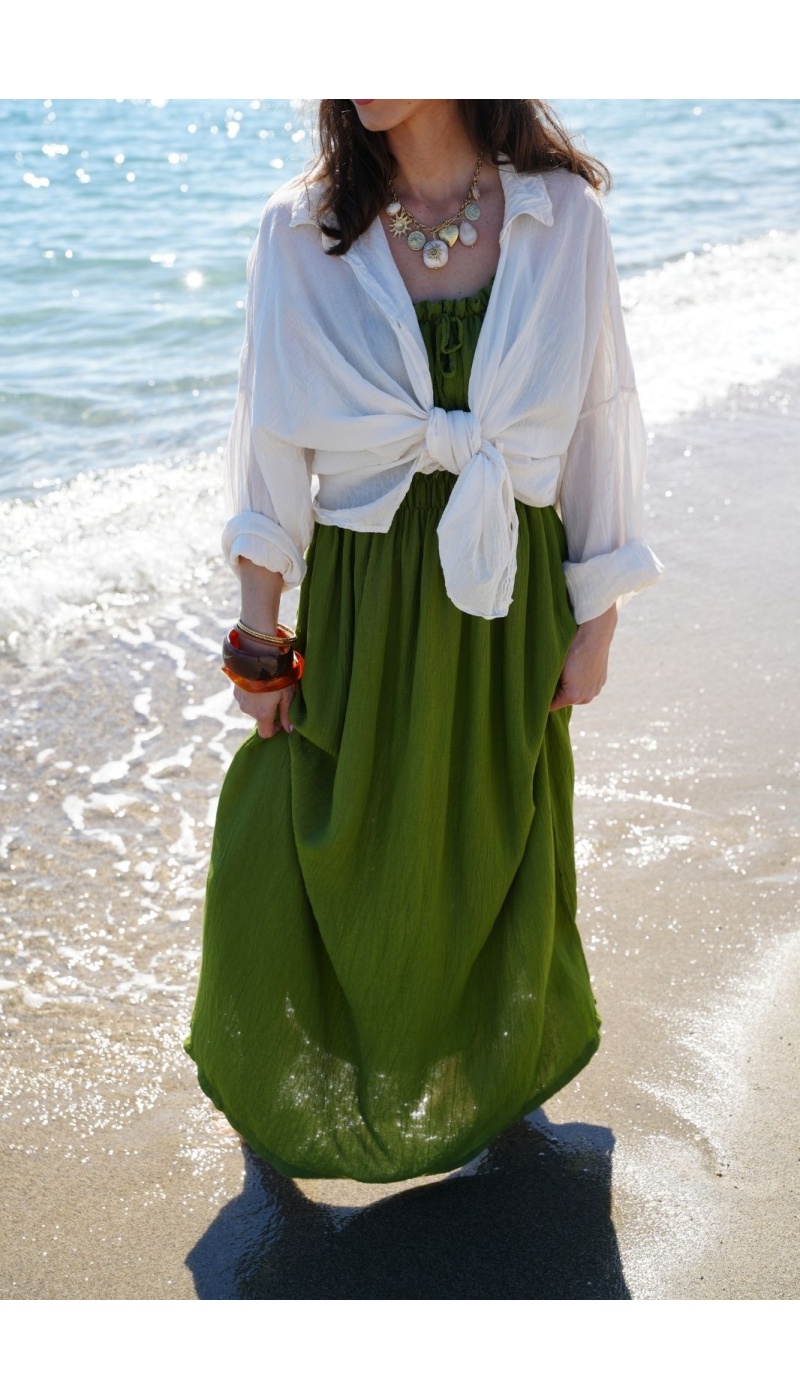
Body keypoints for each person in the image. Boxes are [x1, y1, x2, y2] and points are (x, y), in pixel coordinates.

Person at [183, 99, 663, 1184]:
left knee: (492, 846)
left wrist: (599, 616)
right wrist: (258, 644)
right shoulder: (298, 230)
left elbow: (599, 415)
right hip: (364, 601)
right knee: (322, 837)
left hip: (506, 604)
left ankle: (485, 1089)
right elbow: (269, 439)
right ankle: (302, 1084)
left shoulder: (562, 217)